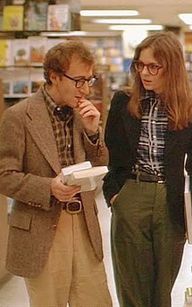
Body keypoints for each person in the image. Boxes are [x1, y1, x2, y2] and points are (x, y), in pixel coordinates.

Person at [0, 40, 112, 307]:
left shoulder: (82, 113)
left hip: (84, 224)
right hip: (42, 228)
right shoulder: (18, 116)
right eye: (79, 81)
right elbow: (4, 175)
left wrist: (93, 132)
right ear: (54, 77)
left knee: (97, 300)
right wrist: (48, 187)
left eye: (89, 80)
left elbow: (101, 164)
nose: (85, 89)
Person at [103, 32, 192, 307]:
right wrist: (114, 194)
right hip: (132, 192)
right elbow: (112, 154)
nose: (145, 73)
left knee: (162, 290)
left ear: (171, 68)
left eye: (153, 67)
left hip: (170, 200)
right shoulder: (123, 102)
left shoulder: (191, 108)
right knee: (131, 288)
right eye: (140, 65)